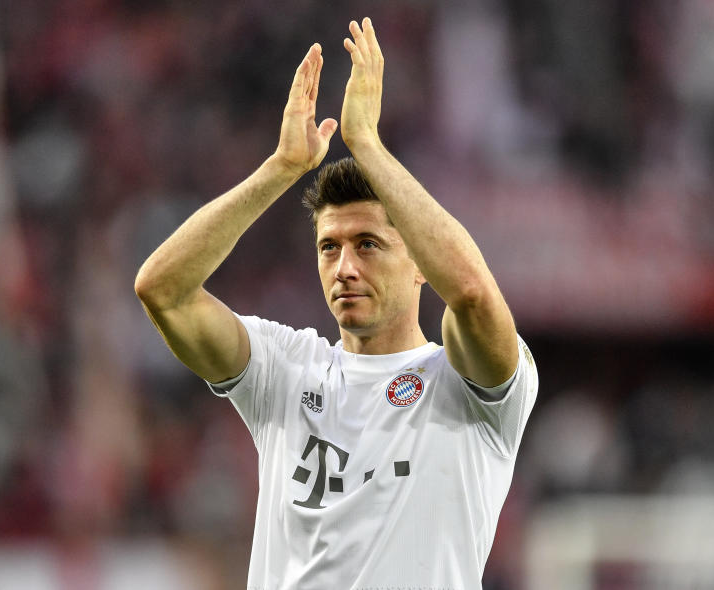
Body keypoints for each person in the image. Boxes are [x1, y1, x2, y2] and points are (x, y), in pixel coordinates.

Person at [135, 17, 538, 590]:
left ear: (420, 262)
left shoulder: (470, 385)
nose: (345, 267)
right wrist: (280, 170)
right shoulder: (284, 369)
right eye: (329, 247)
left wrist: (368, 147)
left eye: (368, 244)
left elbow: (471, 295)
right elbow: (163, 291)